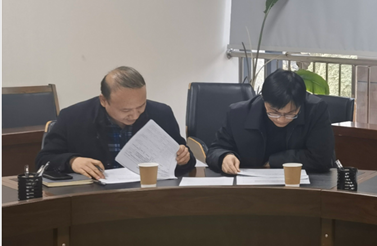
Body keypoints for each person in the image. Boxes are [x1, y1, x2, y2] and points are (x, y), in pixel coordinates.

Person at [36, 66, 195, 179]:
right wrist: (72, 161)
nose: (134, 115)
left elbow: (185, 158)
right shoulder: (73, 117)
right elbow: (43, 160)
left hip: (148, 193)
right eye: (125, 110)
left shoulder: (161, 114)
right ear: (103, 101)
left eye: (141, 106)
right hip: (94, 198)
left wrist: (184, 158)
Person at [207, 69, 334, 174]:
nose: (281, 119)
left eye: (290, 113)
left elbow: (322, 158)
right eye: (274, 112)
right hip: (250, 186)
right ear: (263, 99)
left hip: (303, 185)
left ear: (301, 103)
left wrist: (275, 161)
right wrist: (224, 157)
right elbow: (215, 149)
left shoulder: (315, 110)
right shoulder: (238, 113)